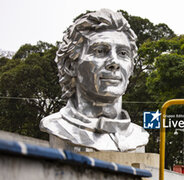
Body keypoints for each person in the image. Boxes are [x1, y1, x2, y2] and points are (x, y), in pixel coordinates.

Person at [40, 9, 149, 152]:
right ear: (70, 65)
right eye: (100, 51)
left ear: (131, 68)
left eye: (123, 53)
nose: (114, 62)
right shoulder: (56, 126)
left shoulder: (138, 136)